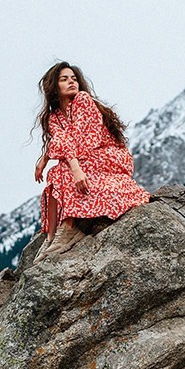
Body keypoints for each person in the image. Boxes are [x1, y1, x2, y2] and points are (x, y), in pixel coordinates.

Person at [33, 62, 149, 258]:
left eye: (74, 78)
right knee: (56, 171)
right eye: (64, 79)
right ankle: (51, 238)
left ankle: (68, 226)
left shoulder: (83, 100)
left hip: (108, 155)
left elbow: (83, 141)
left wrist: (63, 164)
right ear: (54, 86)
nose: (71, 82)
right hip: (83, 157)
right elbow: (62, 140)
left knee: (64, 167)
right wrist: (48, 159)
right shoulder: (54, 116)